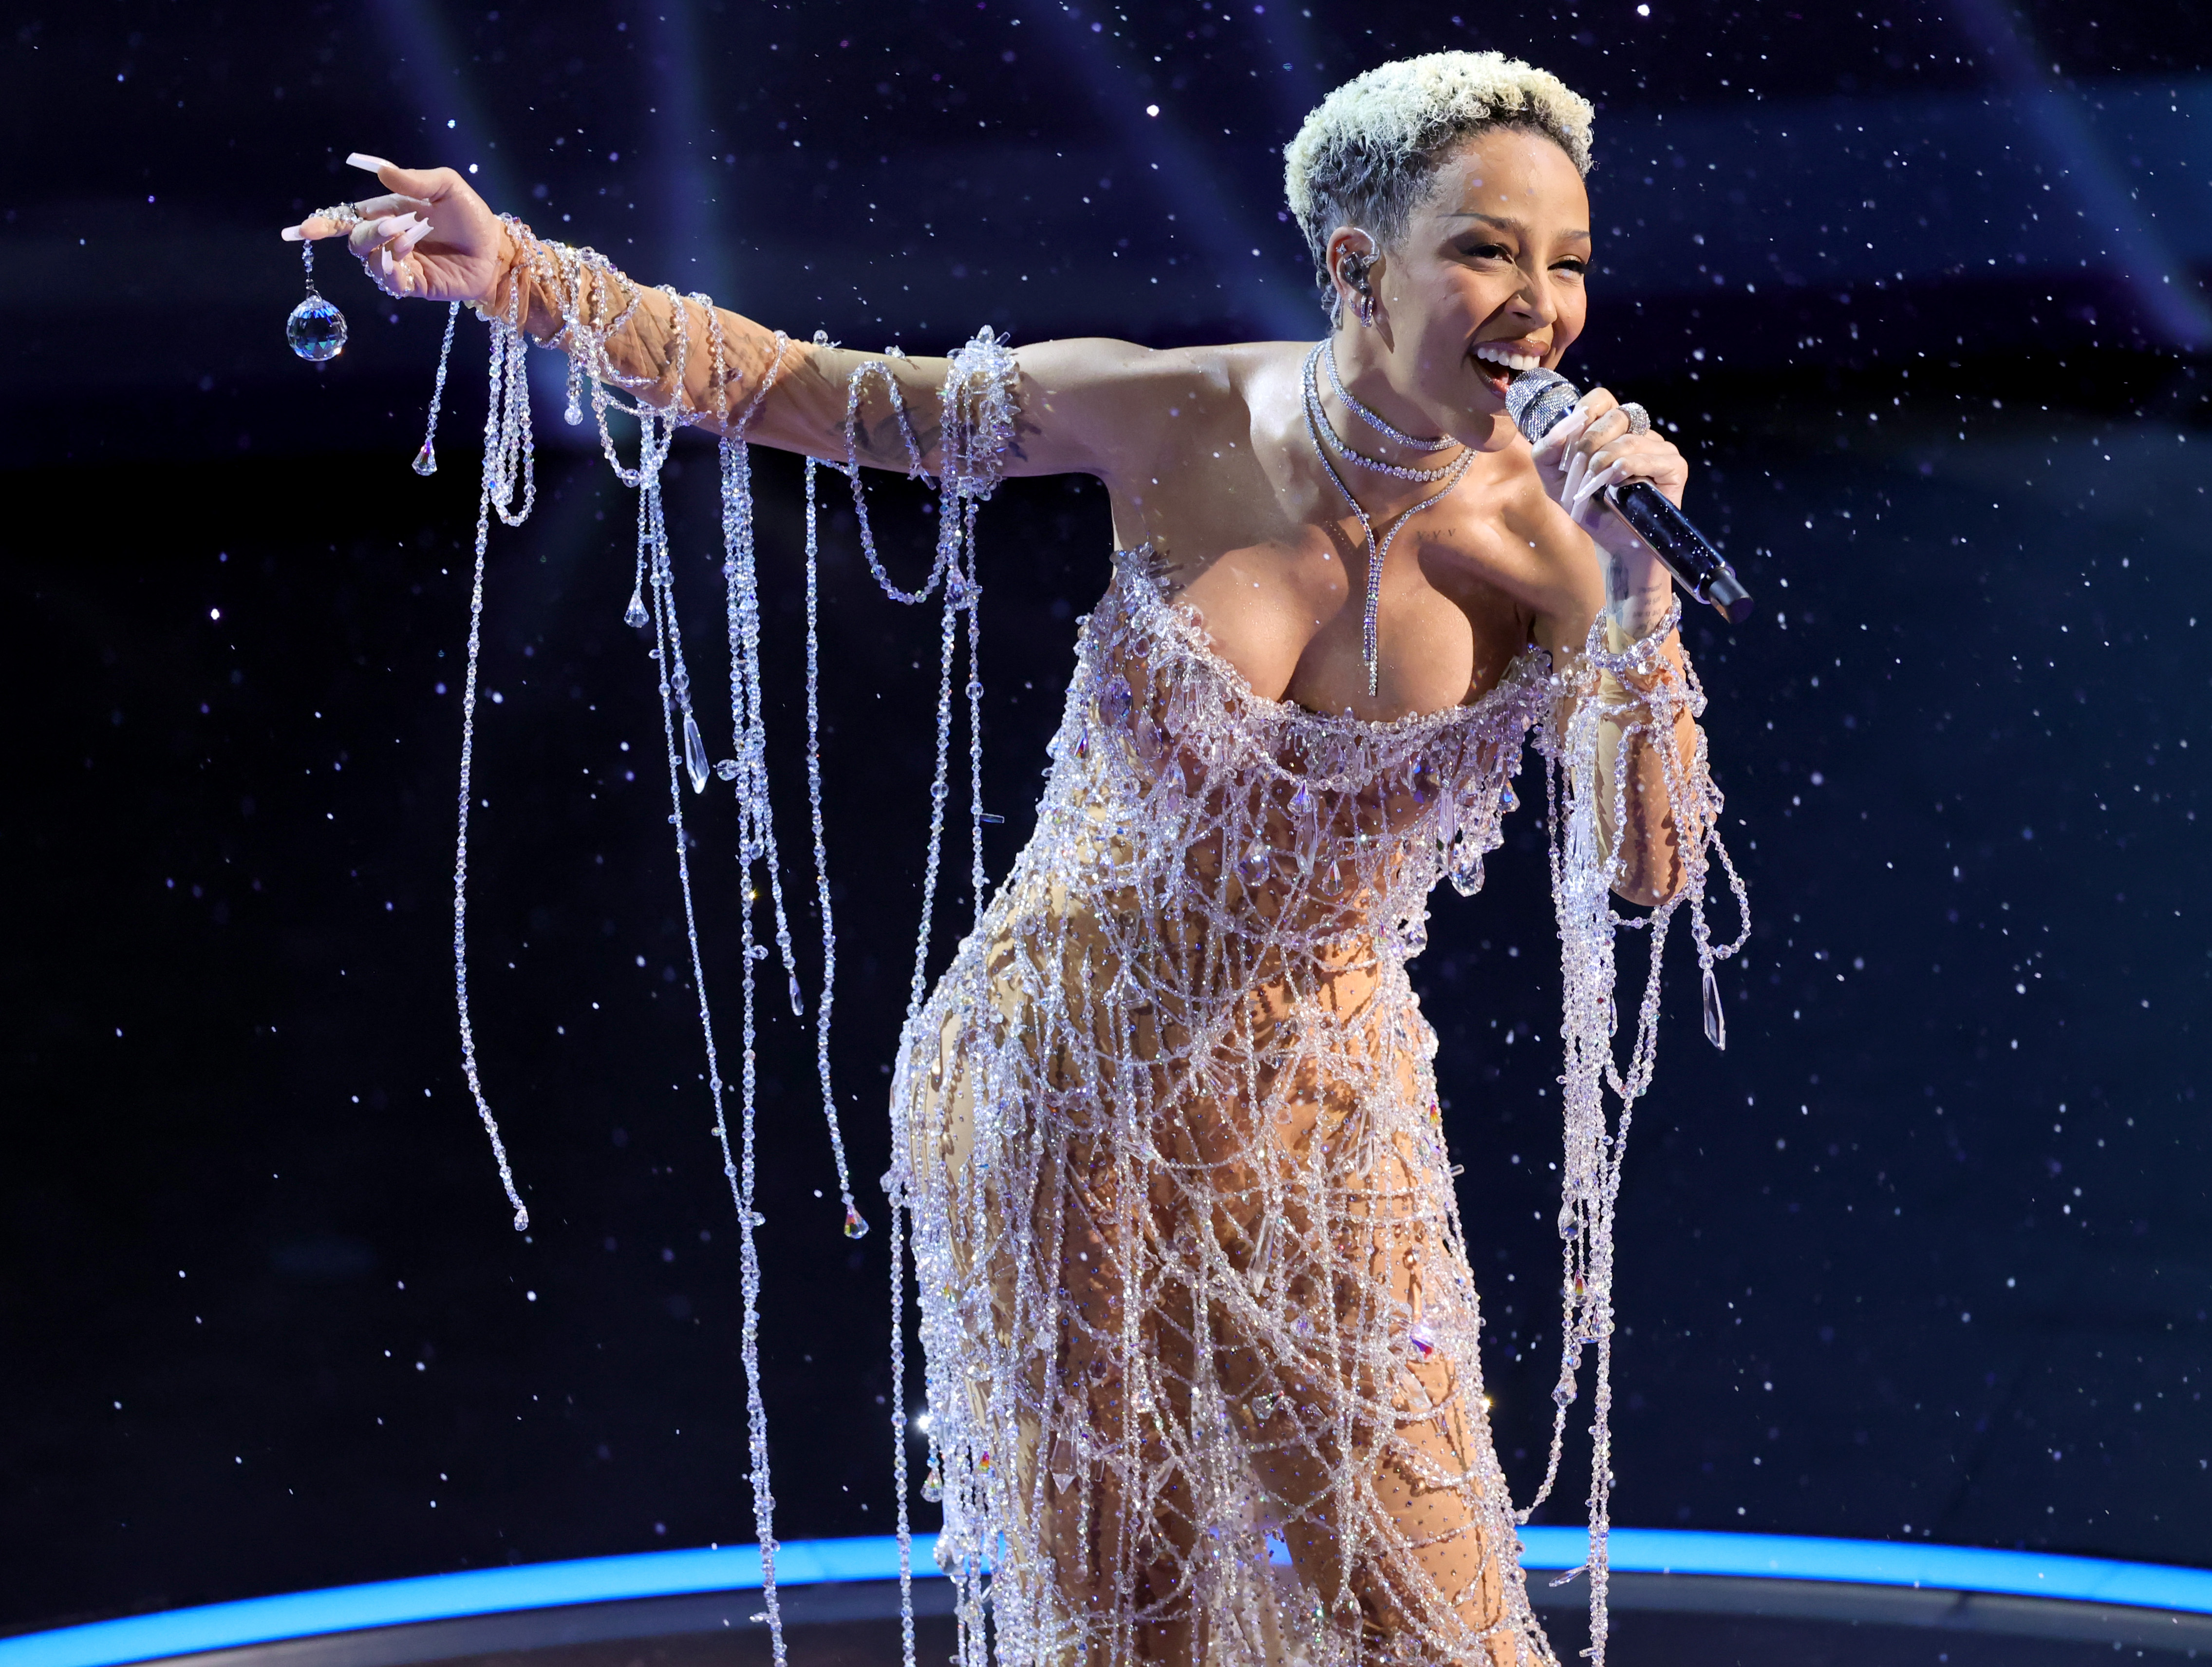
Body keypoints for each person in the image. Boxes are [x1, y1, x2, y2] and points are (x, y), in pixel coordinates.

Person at [289, 49, 1734, 1667]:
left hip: (1332, 1124)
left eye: (1569, 262)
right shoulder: (1173, 409)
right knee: (1127, 1622)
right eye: (1486, 248)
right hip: (1055, 1085)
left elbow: (1649, 865)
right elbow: (803, 389)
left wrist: (1634, 594)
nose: (1538, 301)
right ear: (1355, 260)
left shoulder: (1562, 555)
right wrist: (526, 280)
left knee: (1436, 1620)